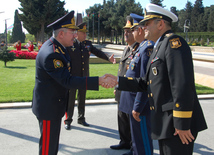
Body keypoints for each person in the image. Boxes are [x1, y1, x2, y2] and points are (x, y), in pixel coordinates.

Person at [114, 3, 207, 155]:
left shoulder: (173, 44)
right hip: (166, 124)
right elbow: (147, 82)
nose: (143, 27)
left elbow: (182, 85)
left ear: (161, 24)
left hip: (177, 126)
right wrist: (118, 81)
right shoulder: (159, 46)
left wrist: (182, 123)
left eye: (146, 24)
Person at [32, 11, 117, 155]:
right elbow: (67, 80)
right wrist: (99, 81)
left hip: (53, 105)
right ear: (61, 34)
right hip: (49, 108)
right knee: (48, 148)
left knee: (52, 145)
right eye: (72, 32)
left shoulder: (59, 47)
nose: (76, 36)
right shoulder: (52, 54)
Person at [64, 13, 116, 129]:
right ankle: (68, 120)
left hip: (84, 76)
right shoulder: (71, 44)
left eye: (86, 33)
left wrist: (108, 58)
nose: (85, 34)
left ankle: (81, 118)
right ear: (77, 34)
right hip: (73, 77)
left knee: (82, 99)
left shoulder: (88, 44)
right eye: (83, 32)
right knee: (71, 99)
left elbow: (97, 52)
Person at [119, 13, 154, 155]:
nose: (132, 33)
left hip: (140, 106)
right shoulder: (141, 48)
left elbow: (144, 81)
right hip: (133, 102)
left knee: (143, 141)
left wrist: (138, 106)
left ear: (139, 30)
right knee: (137, 140)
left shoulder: (146, 49)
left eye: (133, 29)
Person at [110, 15, 139, 152]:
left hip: (131, 91)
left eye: (129, 31)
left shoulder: (138, 49)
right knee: (121, 117)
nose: (126, 33)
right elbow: (121, 69)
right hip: (122, 89)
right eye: (125, 31)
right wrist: (117, 85)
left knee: (130, 120)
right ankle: (124, 141)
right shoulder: (126, 48)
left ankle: (134, 146)